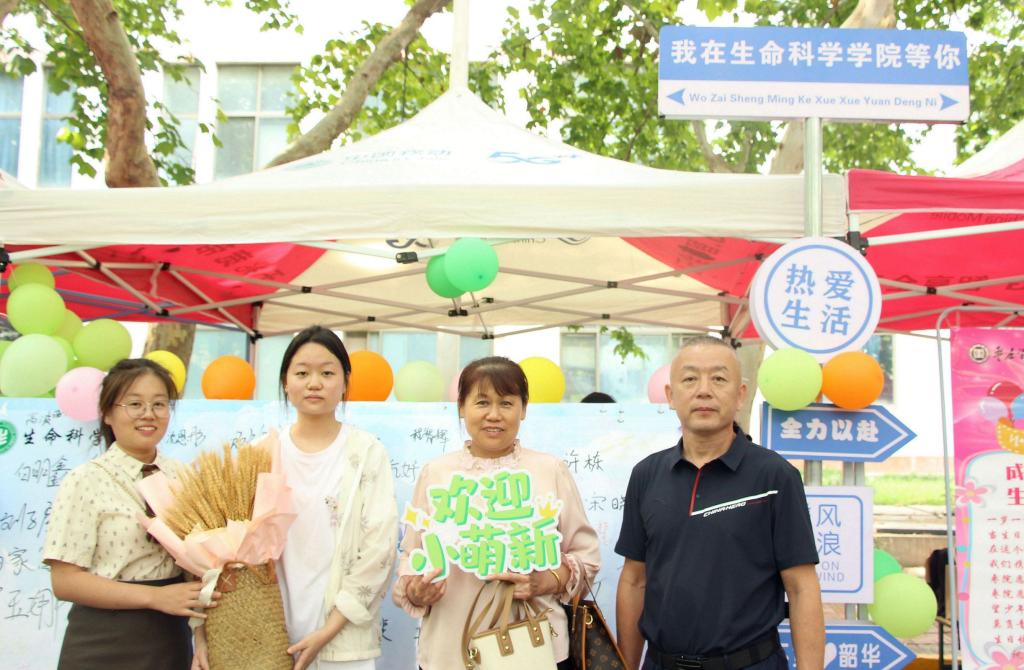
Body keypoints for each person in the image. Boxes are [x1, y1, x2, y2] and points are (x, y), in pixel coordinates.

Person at [615, 336, 824, 670]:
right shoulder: (647, 474)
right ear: (670, 395)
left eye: (718, 378)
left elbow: (801, 586)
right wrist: (625, 664)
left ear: (740, 394)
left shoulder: (774, 476)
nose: (704, 390)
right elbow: (634, 579)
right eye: (690, 379)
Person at [203, 325, 396, 670]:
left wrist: (328, 630)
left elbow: (378, 549)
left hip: (343, 641)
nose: (314, 383)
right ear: (285, 382)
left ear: (345, 382)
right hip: (268, 638)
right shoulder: (260, 455)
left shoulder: (367, 453)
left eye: (327, 373)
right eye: (302, 373)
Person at [393, 356, 601, 670]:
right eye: (482, 402)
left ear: (523, 409)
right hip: (448, 652)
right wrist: (416, 590)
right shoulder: (436, 473)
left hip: (534, 651)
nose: (494, 415)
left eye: (506, 403)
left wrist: (545, 581)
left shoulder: (549, 470)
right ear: (461, 407)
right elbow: (412, 554)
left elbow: (587, 556)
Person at [44, 358, 210, 669]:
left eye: (159, 404)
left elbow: (198, 573)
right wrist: (155, 598)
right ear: (107, 413)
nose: (149, 414)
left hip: (169, 640)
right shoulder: (85, 480)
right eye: (135, 404)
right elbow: (65, 581)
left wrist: (201, 641)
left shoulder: (184, 477)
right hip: (102, 642)